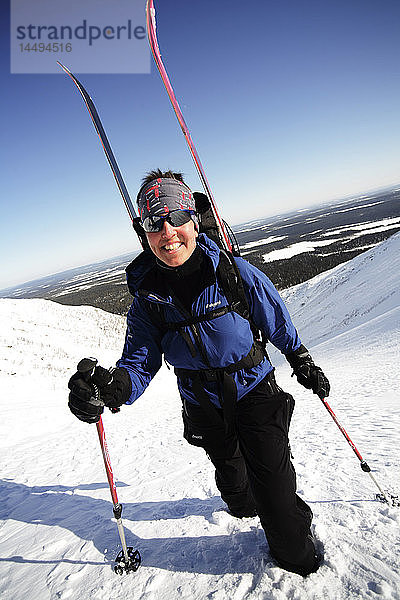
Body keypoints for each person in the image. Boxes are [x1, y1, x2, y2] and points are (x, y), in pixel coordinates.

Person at [68, 169, 330, 576]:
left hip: (255, 392)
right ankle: (249, 501)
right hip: (203, 405)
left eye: (175, 216)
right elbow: (138, 362)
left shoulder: (232, 272)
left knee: (276, 503)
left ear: (192, 218)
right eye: (155, 222)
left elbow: (275, 318)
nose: (167, 230)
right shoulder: (148, 298)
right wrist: (111, 390)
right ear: (145, 233)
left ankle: (296, 545)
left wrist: (301, 360)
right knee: (238, 496)